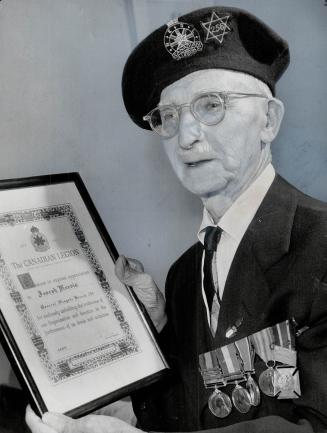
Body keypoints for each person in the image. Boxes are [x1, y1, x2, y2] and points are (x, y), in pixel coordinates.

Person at [26, 6, 327, 433]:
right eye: (169, 116)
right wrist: (135, 410)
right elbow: (200, 408)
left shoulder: (321, 246)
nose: (185, 136)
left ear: (269, 120)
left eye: (210, 105)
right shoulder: (186, 276)